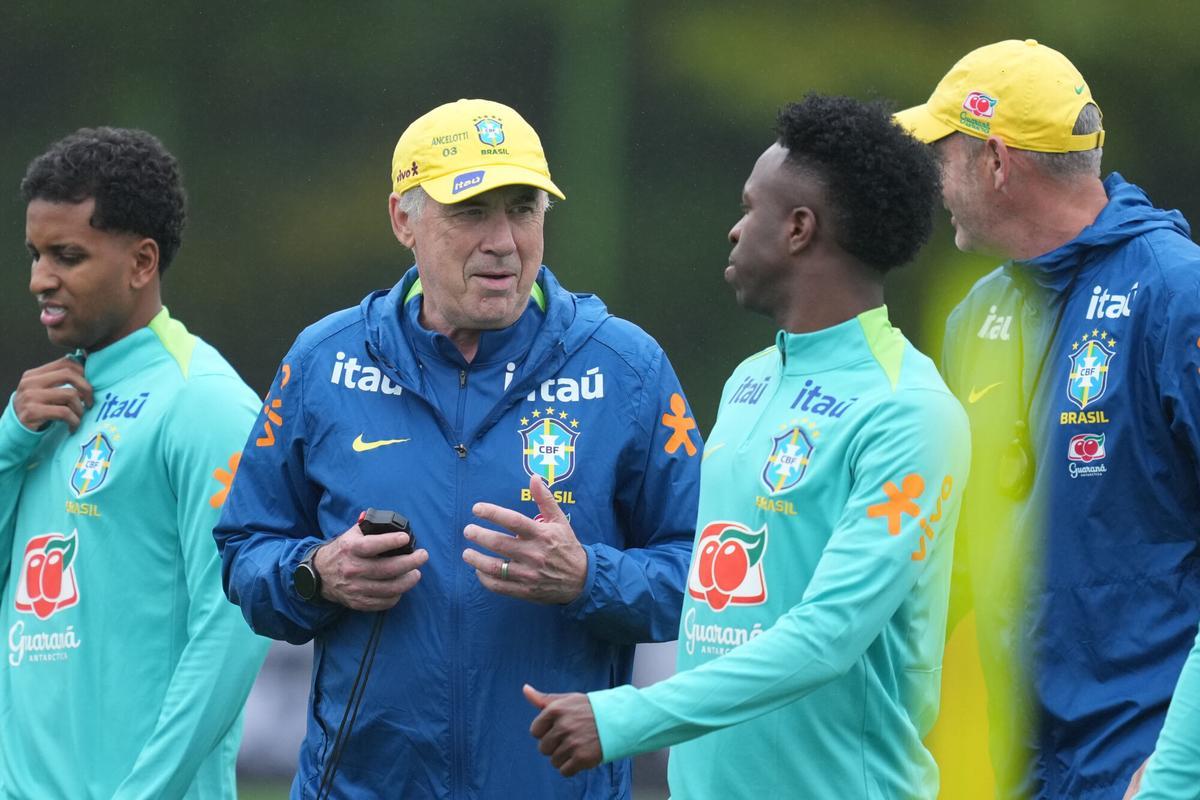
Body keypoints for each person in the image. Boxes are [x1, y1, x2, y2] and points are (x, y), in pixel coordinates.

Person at [213, 98, 701, 799]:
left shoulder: (625, 369)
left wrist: (588, 579)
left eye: (523, 208)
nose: (503, 240)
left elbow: (708, 578)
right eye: (472, 212)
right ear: (402, 219)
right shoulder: (324, 361)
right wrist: (316, 573)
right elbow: (244, 550)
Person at [526, 94, 970, 799]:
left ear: (798, 229)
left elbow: (828, 635)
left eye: (749, 208)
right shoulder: (750, 381)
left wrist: (629, 717)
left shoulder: (910, 412)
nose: (734, 231)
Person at [895, 39, 1200, 799]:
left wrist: (1177, 771)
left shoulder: (1174, 294)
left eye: (944, 154)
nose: (934, 180)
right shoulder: (978, 315)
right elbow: (953, 562)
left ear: (996, 162)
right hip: (1016, 771)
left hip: (1147, 766)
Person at [0, 127, 268, 798]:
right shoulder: (38, 411)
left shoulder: (203, 404)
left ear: (141, 262)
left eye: (67, 255)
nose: (39, 279)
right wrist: (7, 445)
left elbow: (231, 631)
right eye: (34, 254)